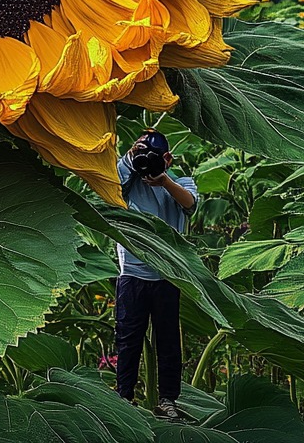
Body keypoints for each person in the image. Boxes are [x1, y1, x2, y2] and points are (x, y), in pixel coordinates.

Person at [115, 127, 199, 420]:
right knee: (128, 339)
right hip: (133, 274)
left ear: (168, 159)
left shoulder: (181, 182)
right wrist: (130, 158)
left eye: (154, 158)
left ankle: (168, 401)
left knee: (168, 342)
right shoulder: (129, 182)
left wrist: (164, 180)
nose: (147, 165)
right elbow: (108, 184)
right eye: (143, 157)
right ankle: (124, 396)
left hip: (167, 276)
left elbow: (190, 203)